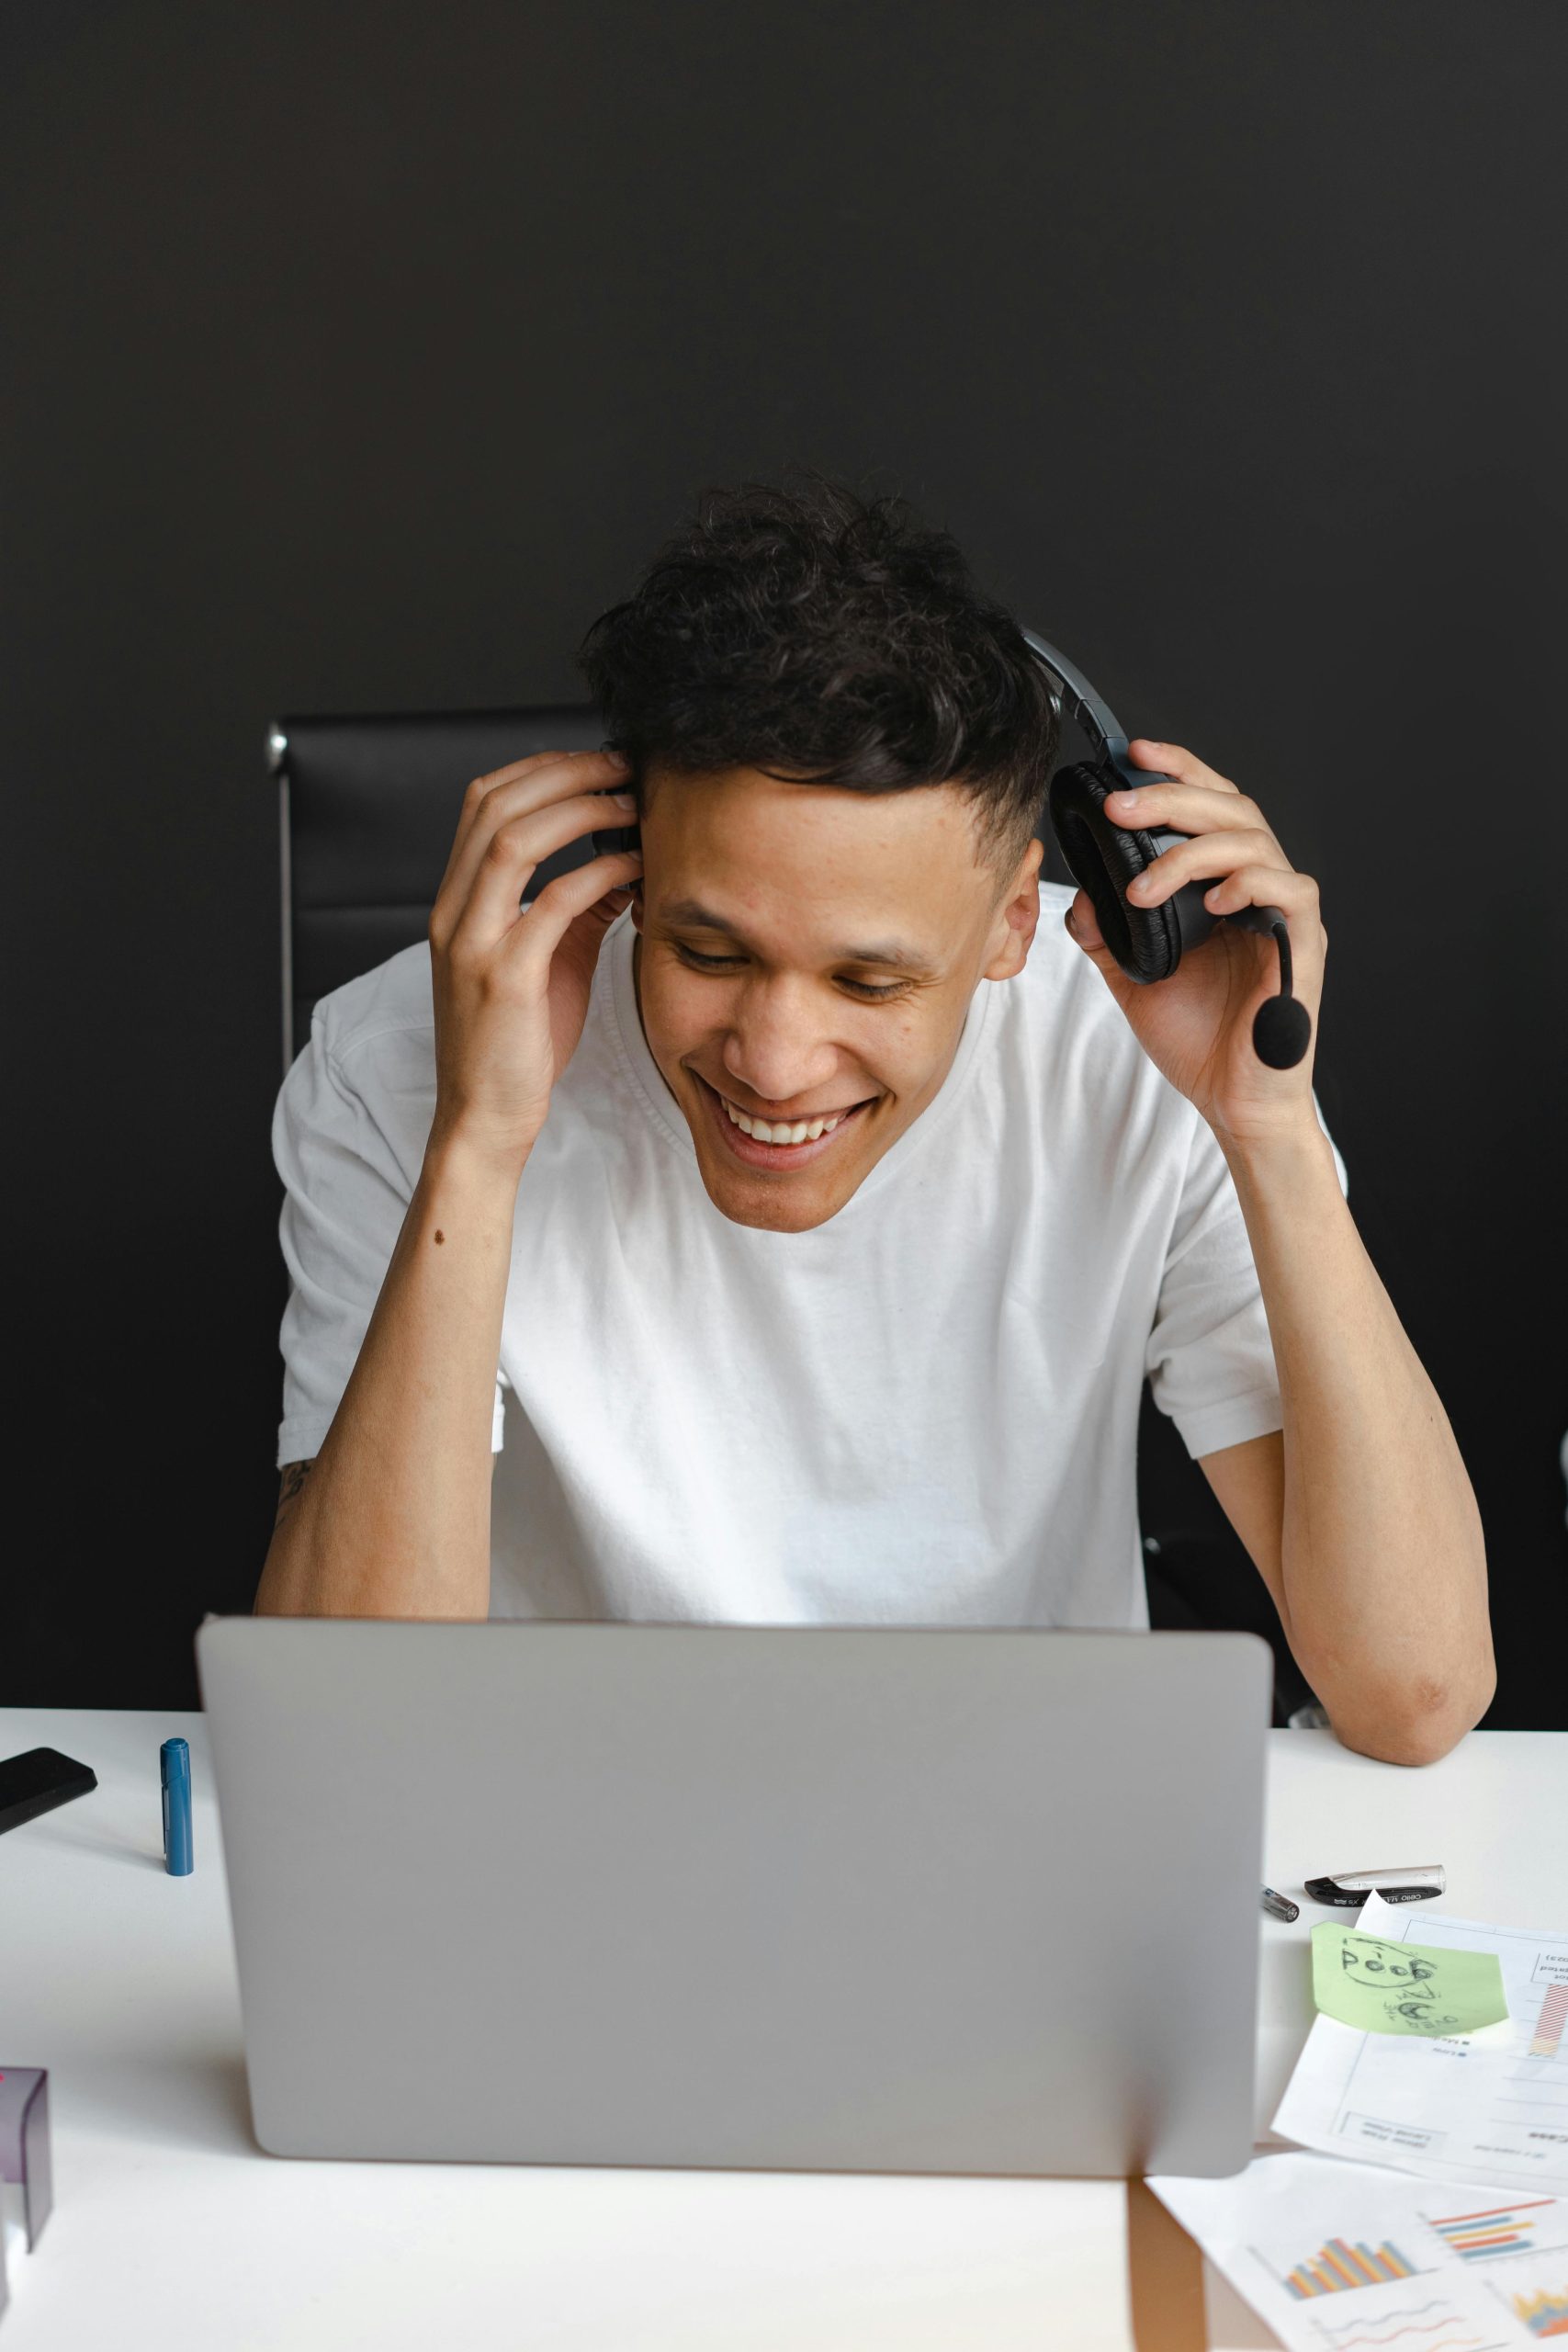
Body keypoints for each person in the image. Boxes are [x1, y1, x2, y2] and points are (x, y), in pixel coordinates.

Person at [254, 477, 1494, 1766]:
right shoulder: (398, 1065)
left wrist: (1269, 1132)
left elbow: (1411, 1694)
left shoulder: (1141, 1071)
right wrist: (479, 1141)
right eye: (708, 950)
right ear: (630, 864)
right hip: (568, 1824)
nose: (777, 1065)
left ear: (1018, 916)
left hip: (1019, 1819)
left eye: (870, 979)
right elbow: (343, 1742)